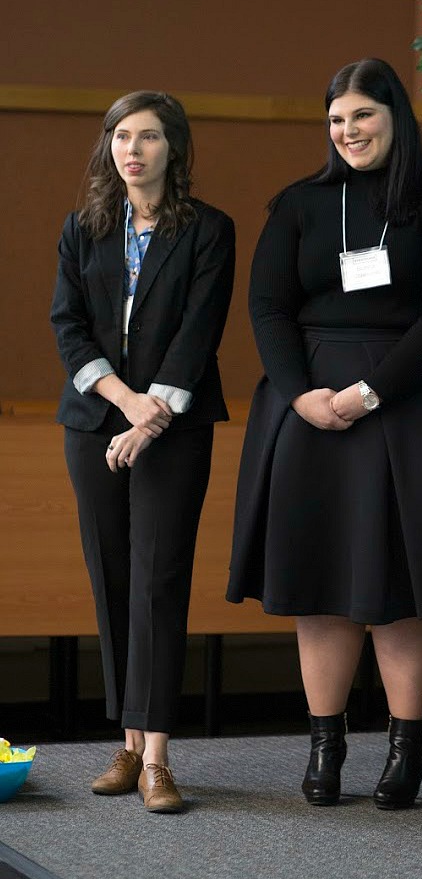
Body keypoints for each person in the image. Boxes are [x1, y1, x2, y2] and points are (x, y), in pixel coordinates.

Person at [227, 57, 422, 810]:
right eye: (336, 121)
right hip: (311, 406)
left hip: (412, 404)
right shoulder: (298, 204)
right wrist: (300, 396)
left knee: (406, 586)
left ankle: (405, 746)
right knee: (321, 581)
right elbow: (267, 308)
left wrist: (370, 391)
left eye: (362, 116)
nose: (347, 132)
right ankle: (326, 743)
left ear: (396, 117)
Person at [51, 91, 235, 813]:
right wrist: (126, 405)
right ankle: (127, 745)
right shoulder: (83, 229)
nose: (134, 149)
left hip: (176, 426)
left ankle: (158, 754)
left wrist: (152, 415)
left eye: (150, 136)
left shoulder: (209, 230)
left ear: (173, 149)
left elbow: (200, 331)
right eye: (122, 136)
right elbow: (68, 326)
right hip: (95, 424)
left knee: (159, 579)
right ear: (110, 147)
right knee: (113, 580)